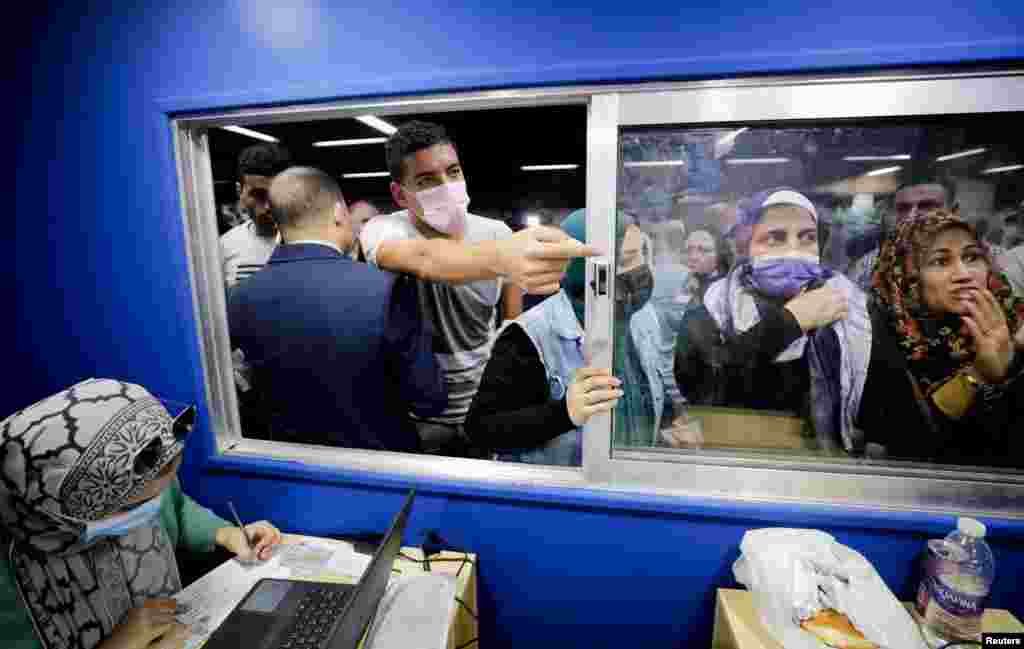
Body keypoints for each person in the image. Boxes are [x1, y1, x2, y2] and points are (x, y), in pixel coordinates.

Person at [360, 121, 596, 455]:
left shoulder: (496, 232)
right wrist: (502, 257)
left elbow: (511, 324)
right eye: (427, 181)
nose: (446, 186)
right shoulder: (382, 230)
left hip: (482, 408)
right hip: (419, 415)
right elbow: (425, 258)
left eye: (453, 172)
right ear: (400, 194)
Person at [0, 378, 283, 649]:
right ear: (61, 511)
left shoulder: (138, 480)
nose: (151, 510)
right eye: (131, 508)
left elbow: (176, 508)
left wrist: (226, 533)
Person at [227, 167, 445, 451]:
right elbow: (430, 399)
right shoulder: (385, 290)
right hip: (381, 468)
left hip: (287, 469)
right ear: (339, 212)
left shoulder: (238, 297)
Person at [466, 209, 676, 464]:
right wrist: (563, 413)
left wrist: (672, 419)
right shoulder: (530, 335)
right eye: (628, 258)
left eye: (642, 255)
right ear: (584, 269)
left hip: (629, 478)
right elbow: (482, 429)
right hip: (561, 493)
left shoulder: (641, 316)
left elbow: (644, 380)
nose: (641, 269)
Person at [674, 188, 872, 453]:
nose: (794, 250)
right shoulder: (713, 306)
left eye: (807, 238)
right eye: (775, 238)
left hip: (822, 467)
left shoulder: (847, 303)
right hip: (737, 461)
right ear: (748, 245)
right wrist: (791, 322)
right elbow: (703, 388)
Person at [857, 211, 1024, 465]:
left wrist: (1016, 364)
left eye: (971, 257)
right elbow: (907, 447)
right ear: (908, 274)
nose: (963, 274)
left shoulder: (1014, 322)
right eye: (940, 262)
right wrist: (978, 376)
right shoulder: (878, 340)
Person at [846, 176, 956, 291]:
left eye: (927, 206)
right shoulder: (871, 265)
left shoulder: (969, 266)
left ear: (952, 212)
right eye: (904, 208)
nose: (911, 217)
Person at [219, 143, 292, 288]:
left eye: (276, 194)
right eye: (258, 195)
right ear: (240, 192)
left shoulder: (309, 243)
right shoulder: (224, 247)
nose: (267, 206)